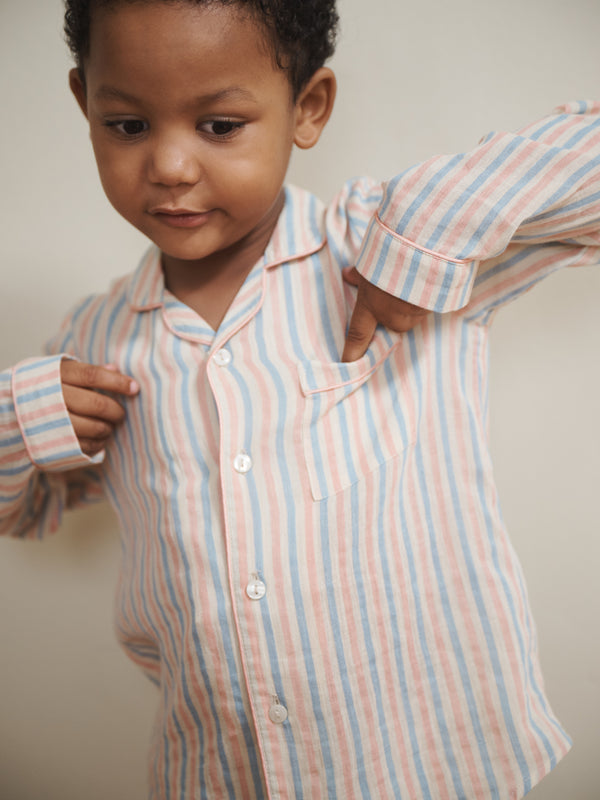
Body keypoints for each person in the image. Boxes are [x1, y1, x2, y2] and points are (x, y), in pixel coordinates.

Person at [1, 0, 599, 797]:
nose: (170, 166)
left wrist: (431, 228)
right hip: (218, 770)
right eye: (128, 125)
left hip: (428, 763)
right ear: (85, 105)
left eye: (219, 125)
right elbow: (26, 511)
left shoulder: (380, 246)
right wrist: (20, 419)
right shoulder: (94, 338)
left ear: (307, 108)